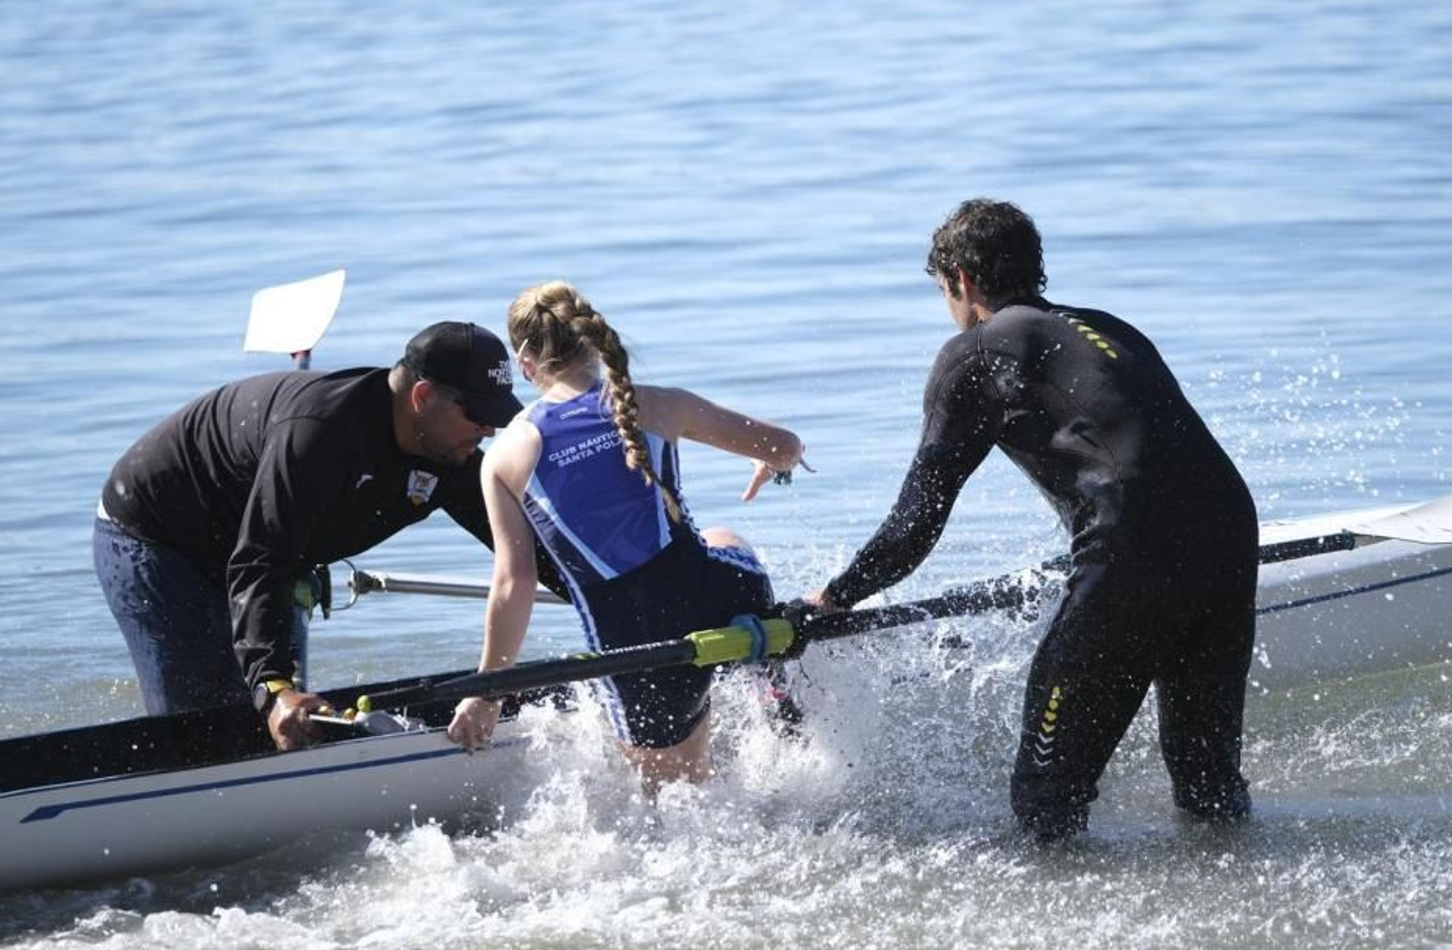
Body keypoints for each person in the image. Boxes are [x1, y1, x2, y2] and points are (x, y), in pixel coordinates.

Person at [800, 199, 1258, 839]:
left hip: (1134, 546)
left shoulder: (976, 352)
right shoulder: (1108, 328)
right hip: (1230, 531)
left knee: (1047, 796)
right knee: (1207, 781)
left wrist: (836, 595)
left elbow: (918, 518)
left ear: (960, 279)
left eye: (943, 291)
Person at [95, 320, 563, 751]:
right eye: (477, 415)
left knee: (299, 724)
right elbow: (261, 561)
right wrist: (274, 689)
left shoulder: (450, 454)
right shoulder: (319, 436)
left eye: (494, 418)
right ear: (422, 397)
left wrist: (618, 604)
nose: (486, 430)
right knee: (214, 731)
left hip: (269, 544)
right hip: (157, 540)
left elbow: (534, 552)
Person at [446, 282, 805, 793]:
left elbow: (514, 584)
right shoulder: (659, 403)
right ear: (593, 340)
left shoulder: (506, 455)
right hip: (721, 597)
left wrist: (486, 693)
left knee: (677, 803)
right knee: (727, 539)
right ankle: (772, 693)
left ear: (525, 362)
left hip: (634, 645)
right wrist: (767, 459)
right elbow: (787, 446)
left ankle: (707, 727)